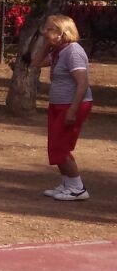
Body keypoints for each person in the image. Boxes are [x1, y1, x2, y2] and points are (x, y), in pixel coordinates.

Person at [35, 15, 94, 201]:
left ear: (62, 33)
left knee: (60, 147)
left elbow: (82, 84)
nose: (45, 32)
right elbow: (36, 63)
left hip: (72, 105)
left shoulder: (73, 52)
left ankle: (78, 188)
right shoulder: (59, 50)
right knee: (55, 146)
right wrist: (46, 43)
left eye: (49, 30)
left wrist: (72, 110)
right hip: (58, 104)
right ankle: (68, 184)